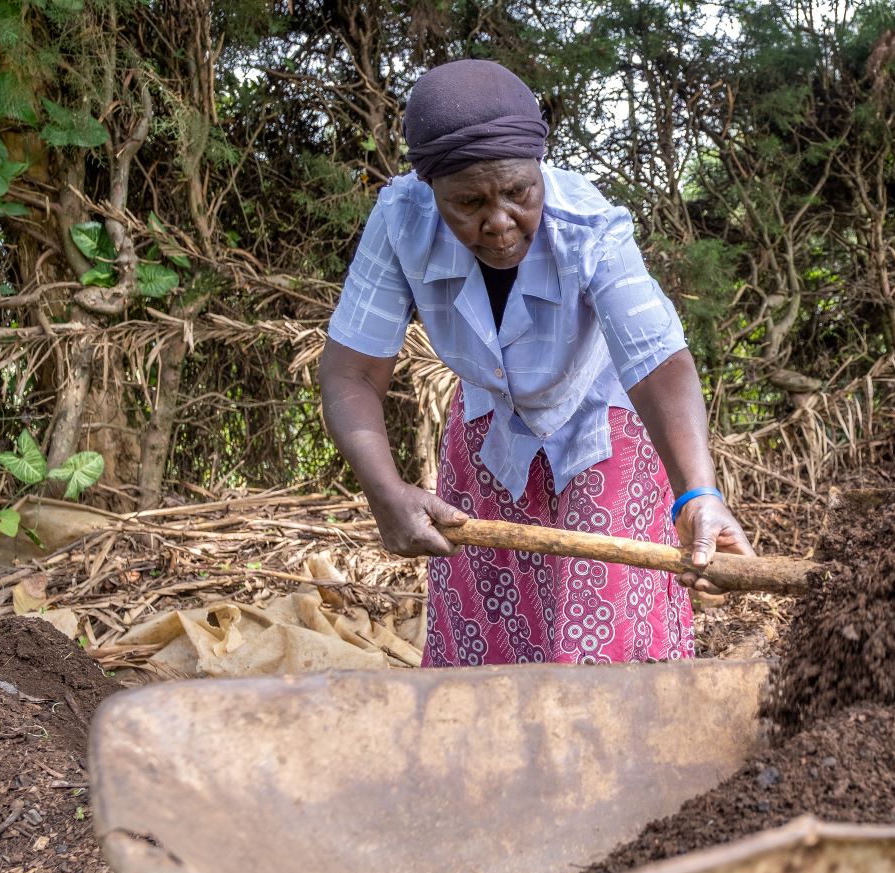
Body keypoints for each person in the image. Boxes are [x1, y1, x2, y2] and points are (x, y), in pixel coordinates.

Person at [319, 58, 753, 667]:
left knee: (602, 647)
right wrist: (384, 491)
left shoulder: (589, 226)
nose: (498, 222)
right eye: (467, 202)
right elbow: (352, 373)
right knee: (491, 642)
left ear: (539, 170)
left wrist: (697, 494)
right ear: (431, 188)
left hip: (606, 429)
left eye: (519, 192)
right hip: (488, 435)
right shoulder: (400, 221)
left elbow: (658, 364)